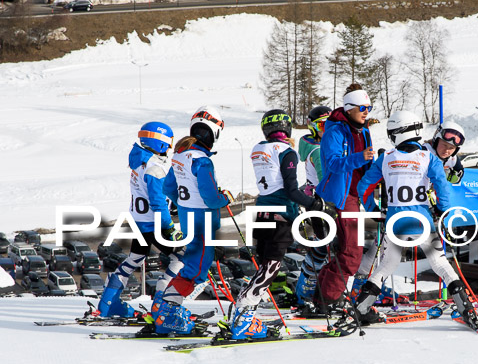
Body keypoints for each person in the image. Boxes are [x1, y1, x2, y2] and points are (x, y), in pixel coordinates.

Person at [355, 110, 478, 329]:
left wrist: (373, 209)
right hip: (421, 220)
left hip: (396, 220)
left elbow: (363, 187)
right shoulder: (428, 157)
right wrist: (444, 213)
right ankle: (466, 309)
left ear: (399, 133)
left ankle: (360, 309)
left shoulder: (386, 157)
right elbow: (442, 188)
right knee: (440, 264)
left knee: (386, 266)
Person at [222, 109, 335, 339]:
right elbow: (292, 191)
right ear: (287, 128)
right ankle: (245, 311)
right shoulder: (287, 152)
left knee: (265, 267)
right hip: (280, 215)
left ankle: (243, 310)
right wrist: (314, 204)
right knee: (271, 268)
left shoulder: (257, 149)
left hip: (261, 211)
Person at [154, 105, 232, 334]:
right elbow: (210, 198)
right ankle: (167, 311)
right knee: (196, 270)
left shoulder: (180, 155)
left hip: (189, 218)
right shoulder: (202, 160)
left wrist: (183, 204)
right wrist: (224, 198)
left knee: (193, 265)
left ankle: (165, 309)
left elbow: (168, 187)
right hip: (203, 221)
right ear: (214, 132)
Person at [97, 122, 184, 319]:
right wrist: (169, 227)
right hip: (154, 224)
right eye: (168, 143)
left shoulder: (140, 160)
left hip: (138, 221)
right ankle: (161, 303)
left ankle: (108, 304)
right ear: (160, 142)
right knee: (181, 259)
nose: (170, 148)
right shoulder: (155, 167)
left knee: (135, 259)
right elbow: (157, 202)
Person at [314, 84, 375, 308]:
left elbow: (364, 169)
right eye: (362, 107)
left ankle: (323, 297)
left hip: (354, 197)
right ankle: (329, 299)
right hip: (339, 198)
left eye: (369, 107)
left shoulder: (364, 131)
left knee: (346, 252)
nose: (366, 111)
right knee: (351, 254)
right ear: (349, 109)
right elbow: (332, 164)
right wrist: (360, 157)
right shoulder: (335, 131)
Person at [294, 105, 332, 310]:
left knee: (321, 247)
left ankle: (308, 291)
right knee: (324, 249)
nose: (326, 130)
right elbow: (327, 179)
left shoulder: (317, 146)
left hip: (316, 202)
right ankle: (308, 292)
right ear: (313, 127)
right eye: (322, 125)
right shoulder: (317, 150)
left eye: (330, 125)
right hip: (322, 202)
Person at [424, 120, 466, 184]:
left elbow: (459, 174)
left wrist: (449, 176)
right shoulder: (424, 151)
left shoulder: (453, 159)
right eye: (444, 145)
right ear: (436, 141)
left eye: (451, 148)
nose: (446, 150)